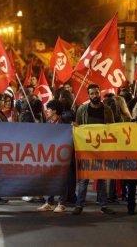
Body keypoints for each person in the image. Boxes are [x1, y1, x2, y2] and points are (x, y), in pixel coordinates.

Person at [72, 84, 115, 215]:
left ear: (99, 93)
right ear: (88, 95)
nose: (95, 96)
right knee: (84, 179)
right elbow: (78, 126)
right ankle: (79, 205)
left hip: (102, 149)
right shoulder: (82, 109)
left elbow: (112, 127)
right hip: (86, 149)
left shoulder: (107, 110)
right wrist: (75, 126)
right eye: (92, 93)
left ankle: (104, 205)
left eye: (97, 93)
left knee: (102, 178)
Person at [38, 100, 68, 213]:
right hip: (49, 156)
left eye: (49, 109)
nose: (46, 111)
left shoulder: (64, 122)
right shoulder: (47, 123)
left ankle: (62, 203)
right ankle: (49, 203)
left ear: (54, 110)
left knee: (62, 179)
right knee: (49, 179)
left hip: (62, 156)